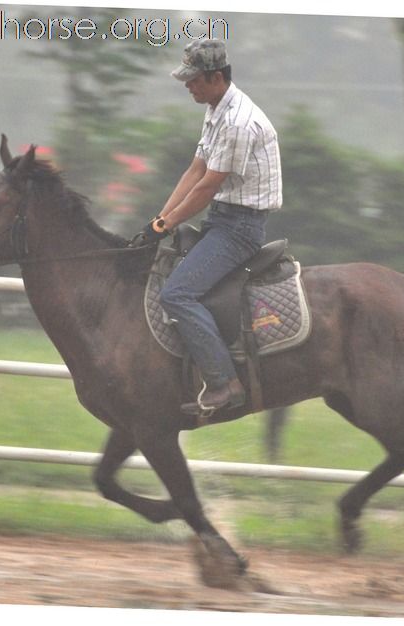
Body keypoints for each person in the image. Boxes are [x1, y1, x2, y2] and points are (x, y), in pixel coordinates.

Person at [138, 39, 282, 415]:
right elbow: (195, 170)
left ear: (216, 77)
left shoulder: (237, 122)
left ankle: (223, 383)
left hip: (239, 229)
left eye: (194, 80)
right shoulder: (217, 108)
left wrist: (167, 222)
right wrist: (159, 220)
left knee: (177, 294)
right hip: (222, 218)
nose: (188, 86)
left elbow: (207, 186)